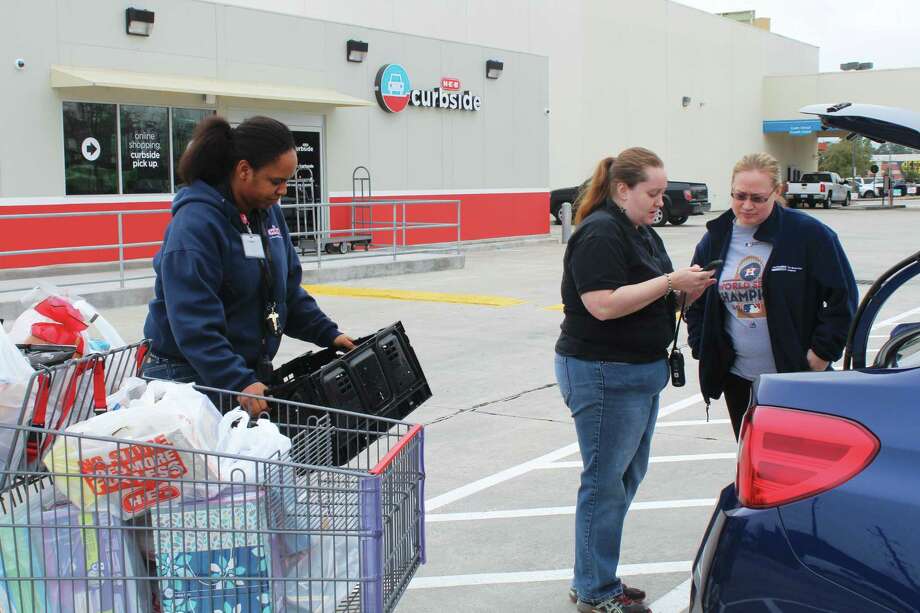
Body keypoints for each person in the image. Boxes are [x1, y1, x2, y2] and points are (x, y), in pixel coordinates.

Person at [554, 148, 715, 613]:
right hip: (605, 373)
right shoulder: (601, 233)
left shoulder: (639, 231)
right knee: (605, 483)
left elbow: (649, 293)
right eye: (653, 193)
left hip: (637, 373)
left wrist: (685, 290)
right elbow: (602, 304)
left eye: (663, 193)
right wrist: (670, 283)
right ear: (622, 189)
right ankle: (595, 590)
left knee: (623, 479)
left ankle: (594, 577)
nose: (659, 201)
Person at [143, 115, 354, 415]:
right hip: (187, 378)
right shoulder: (195, 226)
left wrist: (328, 333)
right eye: (276, 181)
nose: (283, 191)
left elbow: (286, 291)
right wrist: (238, 380)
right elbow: (194, 323)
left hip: (238, 375)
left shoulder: (267, 214)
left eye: (287, 182)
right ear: (244, 170)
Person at [685, 153, 857, 439]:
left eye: (758, 198)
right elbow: (697, 298)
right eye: (739, 196)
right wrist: (704, 346)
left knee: (797, 460)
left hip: (795, 376)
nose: (747, 205)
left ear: (777, 193)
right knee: (753, 461)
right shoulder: (716, 238)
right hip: (738, 378)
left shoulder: (809, 234)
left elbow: (843, 298)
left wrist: (820, 355)